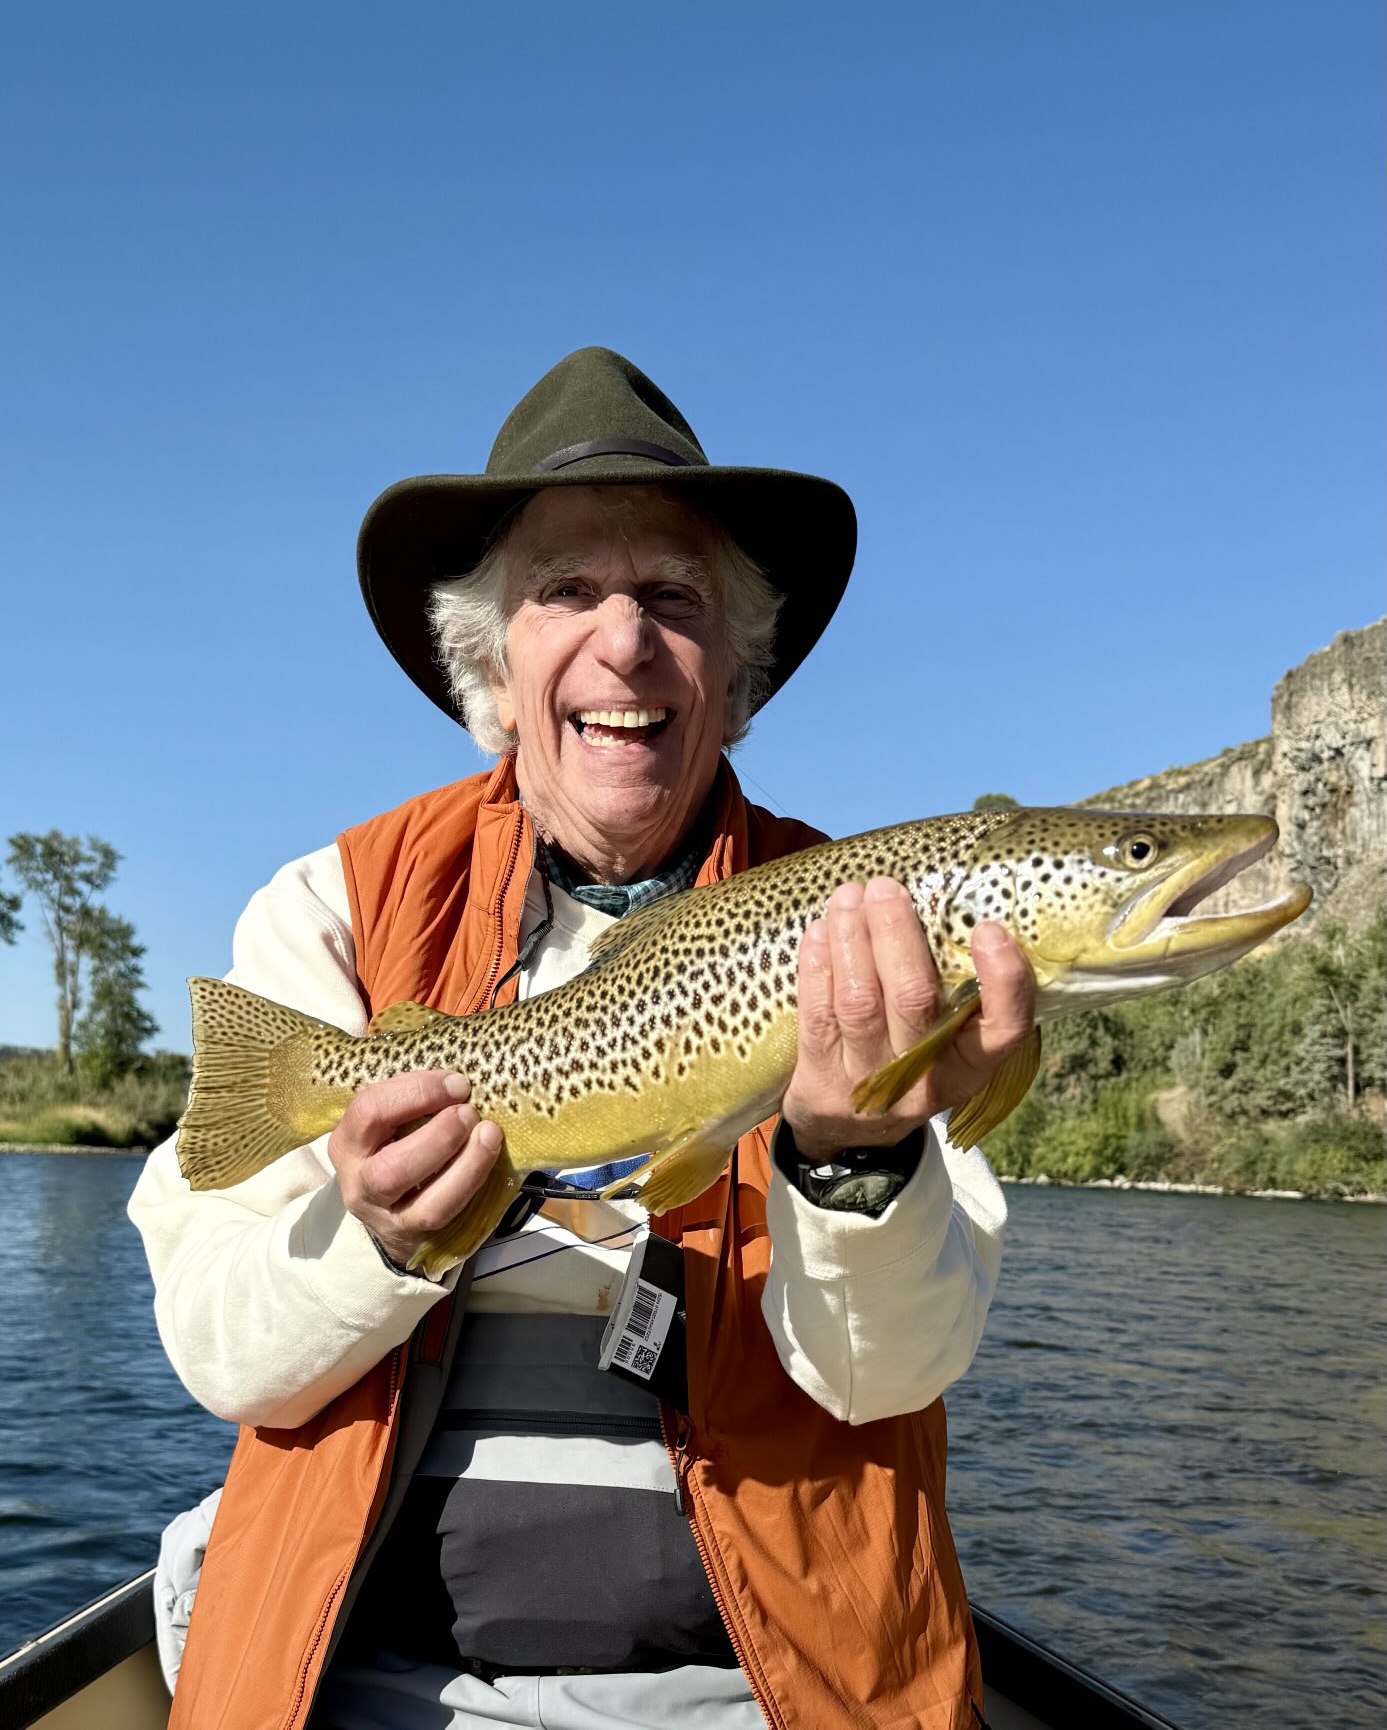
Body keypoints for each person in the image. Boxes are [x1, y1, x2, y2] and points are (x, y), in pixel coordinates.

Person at [130, 347, 1035, 1730]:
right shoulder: (329, 909)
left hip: (761, 1693)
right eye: (567, 591)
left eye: (674, 595)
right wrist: (379, 1238)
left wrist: (853, 1158)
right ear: (492, 667)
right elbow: (220, 1354)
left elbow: (886, 1374)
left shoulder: (874, 935)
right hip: (375, 1686)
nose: (625, 640)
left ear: (737, 675)